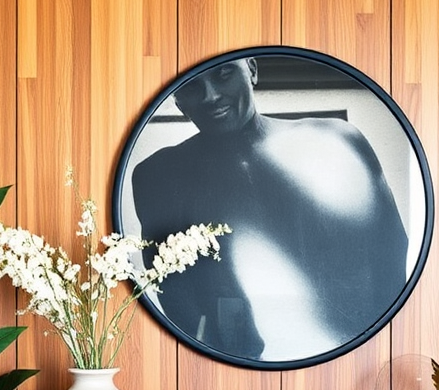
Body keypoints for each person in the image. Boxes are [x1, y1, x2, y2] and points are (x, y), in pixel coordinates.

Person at [130, 57, 409, 363]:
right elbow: (173, 294)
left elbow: (391, 251)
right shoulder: (158, 174)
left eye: (224, 74)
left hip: (349, 353)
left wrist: (370, 346)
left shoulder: (337, 139)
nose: (209, 95)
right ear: (179, 101)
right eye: (192, 86)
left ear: (252, 70)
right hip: (233, 364)